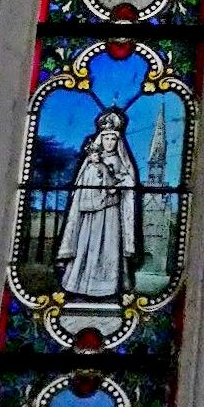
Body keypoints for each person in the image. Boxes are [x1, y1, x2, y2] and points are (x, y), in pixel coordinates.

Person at [56, 109, 140, 300]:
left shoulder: (121, 160)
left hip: (110, 213)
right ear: (101, 139)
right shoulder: (90, 162)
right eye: (107, 138)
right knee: (87, 246)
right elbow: (81, 185)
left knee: (108, 248)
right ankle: (79, 286)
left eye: (113, 139)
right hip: (90, 214)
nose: (110, 142)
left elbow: (129, 181)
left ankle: (106, 289)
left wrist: (117, 186)